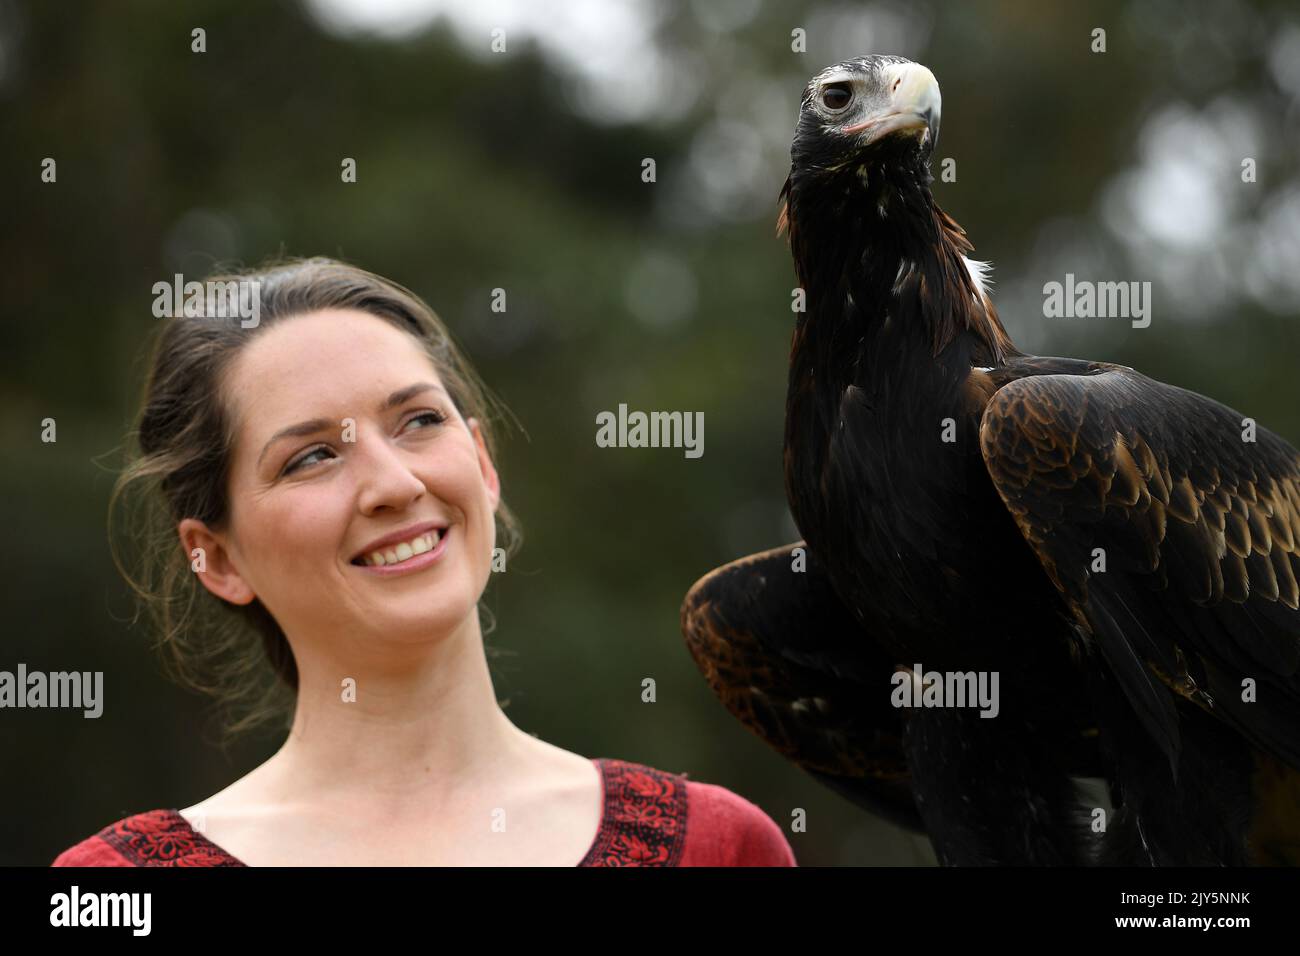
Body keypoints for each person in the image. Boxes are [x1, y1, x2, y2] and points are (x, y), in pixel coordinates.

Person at [50, 258, 796, 867]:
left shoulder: (720, 848)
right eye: (311, 457)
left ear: (481, 460)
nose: (396, 485)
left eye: (418, 422)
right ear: (214, 558)